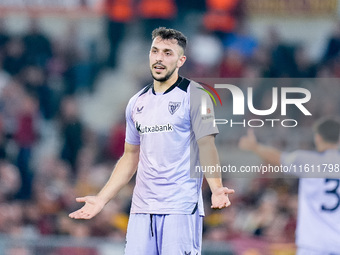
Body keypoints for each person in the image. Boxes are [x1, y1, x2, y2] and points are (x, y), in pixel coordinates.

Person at [69, 27, 235, 254]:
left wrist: (216, 188)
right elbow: (130, 156)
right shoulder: (136, 102)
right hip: (141, 209)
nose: (159, 57)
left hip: (181, 207)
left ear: (180, 60)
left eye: (168, 53)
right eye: (155, 51)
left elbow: (206, 145)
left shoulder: (196, 95)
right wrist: (101, 199)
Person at [238, 118, 340, 255]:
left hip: (312, 244)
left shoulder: (307, 160)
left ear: (318, 138)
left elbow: (277, 158)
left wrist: (255, 147)